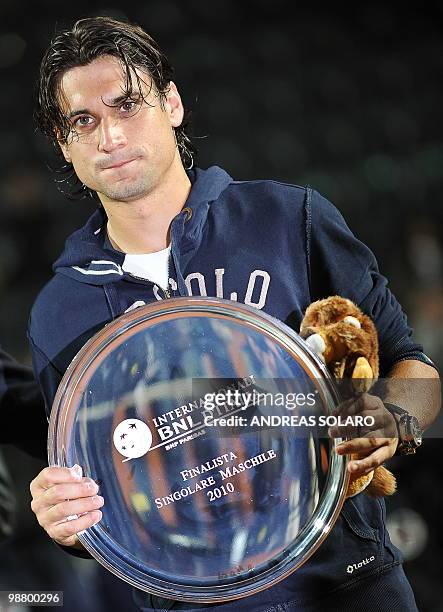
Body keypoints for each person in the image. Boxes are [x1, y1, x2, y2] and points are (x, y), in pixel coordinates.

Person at [27, 16, 440, 612]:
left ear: (172, 104)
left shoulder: (288, 218)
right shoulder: (58, 313)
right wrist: (66, 521)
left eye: (127, 106)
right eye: (83, 121)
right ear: (64, 145)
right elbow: (101, 493)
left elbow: (415, 368)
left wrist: (392, 416)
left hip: (347, 587)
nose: (110, 136)